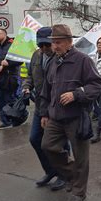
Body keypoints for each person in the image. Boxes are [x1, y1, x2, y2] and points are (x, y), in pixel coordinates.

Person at [40, 24, 101, 201]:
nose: (55, 46)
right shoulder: (53, 62)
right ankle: (72, 176)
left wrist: (76, 94)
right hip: (55, 117)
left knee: (81, 157)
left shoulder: (83, 60)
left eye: (58, 43)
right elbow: (46, 90)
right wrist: (44, 113)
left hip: (77, 117)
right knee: (48, 146)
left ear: (69, 42)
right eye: (53, 43)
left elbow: (97, 85)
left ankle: (79, 192)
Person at [22, 27, 66, 190]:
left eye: (47, 45)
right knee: (35, 139)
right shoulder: (36, 55)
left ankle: (64, 175)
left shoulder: (60, 57)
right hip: (40, 105)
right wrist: (27, 87)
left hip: (56, 106)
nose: (44, 49)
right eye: (41, 45)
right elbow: (30, 77)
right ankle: (51, 170)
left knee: (59, 143)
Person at [0, 29, 22, 129]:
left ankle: (17, 118)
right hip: (0, 77)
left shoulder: (13, 45)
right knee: (1, 101)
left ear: (5, 34)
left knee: (11, 100)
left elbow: (20, 60)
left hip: (11, 76)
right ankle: (5, 122)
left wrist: (9, 63)